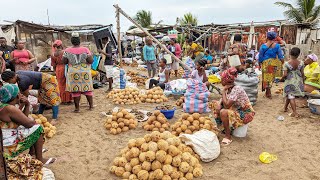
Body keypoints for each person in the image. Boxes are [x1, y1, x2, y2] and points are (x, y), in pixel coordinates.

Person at [0, 84, 55, 164]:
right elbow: (29, 124)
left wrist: (27, 104)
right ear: (15, 96)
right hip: (8, 149)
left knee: (27, 128)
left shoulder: (4, 106)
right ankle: (40, 159)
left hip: (4, 142)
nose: (21, 94)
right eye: (19, 93)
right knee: (38, 128)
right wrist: (27, 105)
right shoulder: (10, 109)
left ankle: (32, 153)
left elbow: (21, 119)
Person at [215, 68, 255, 145]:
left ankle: (228, 136)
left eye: (222, 79)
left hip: (246, 113)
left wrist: (223, 92)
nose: (221, 81)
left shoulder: (237, 89)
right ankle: (224, 128)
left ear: (227, 80)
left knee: (223, 112)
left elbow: (226, 105)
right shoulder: (229, 88)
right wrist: (219, 103)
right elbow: (223, 99)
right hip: (237, 110)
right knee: (215, 104)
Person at [62, 32, 94, 113]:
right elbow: (90, 61)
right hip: (85, 71)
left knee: (75, 90)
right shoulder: (86, 49)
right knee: (87, 89)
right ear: (79, 41)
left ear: (72, 42)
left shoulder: (67, 50)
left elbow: (64, 61)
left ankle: (77, 108)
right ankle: (91, 106)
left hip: (73, 71)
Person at [259, 31, 284, 99]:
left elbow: (260, 57)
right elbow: (280, 56)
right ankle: (268, 91)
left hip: (265, 63)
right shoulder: (277, 46)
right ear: (274, 38)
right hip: (273, 63)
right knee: (270, 78)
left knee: (266, 77)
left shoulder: (263, 46)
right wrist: (282, 62)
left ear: (267, 37)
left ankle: (268, 92)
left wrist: (259, 64)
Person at [281, 47, 304, 117]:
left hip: (290, 82)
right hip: (298, 81)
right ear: (298, 55)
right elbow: (302, 73)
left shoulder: (286, 64)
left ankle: (295, 112)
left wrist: (281, 79)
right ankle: (285, 108)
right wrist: (303, 81)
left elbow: (285, 74)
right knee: (290, 94)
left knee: (291, 96)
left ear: (290, 53)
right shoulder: (301, 63)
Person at [51, 40, 72, 104]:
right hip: (65, 68)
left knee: (60, 84)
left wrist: (55, 71)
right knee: (67, 84)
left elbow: (53, 64)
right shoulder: (65, 52)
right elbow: (69, 61)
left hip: (58, 69)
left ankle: (62, 99)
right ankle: (68, 99)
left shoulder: (53, 54)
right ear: (61, 45)